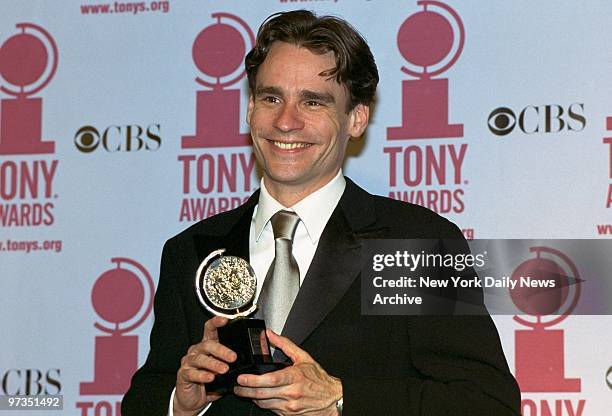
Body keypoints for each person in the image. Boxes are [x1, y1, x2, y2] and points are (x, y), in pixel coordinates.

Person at [122, 10, 520, 416]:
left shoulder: (409, 244)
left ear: (356, 118)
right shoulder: (192, 250)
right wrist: (182, 403)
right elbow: (145, 400)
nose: (286, 121)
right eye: (271, 97)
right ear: (249, 109)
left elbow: (487, 403)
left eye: (313, 101)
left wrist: (340, 398)